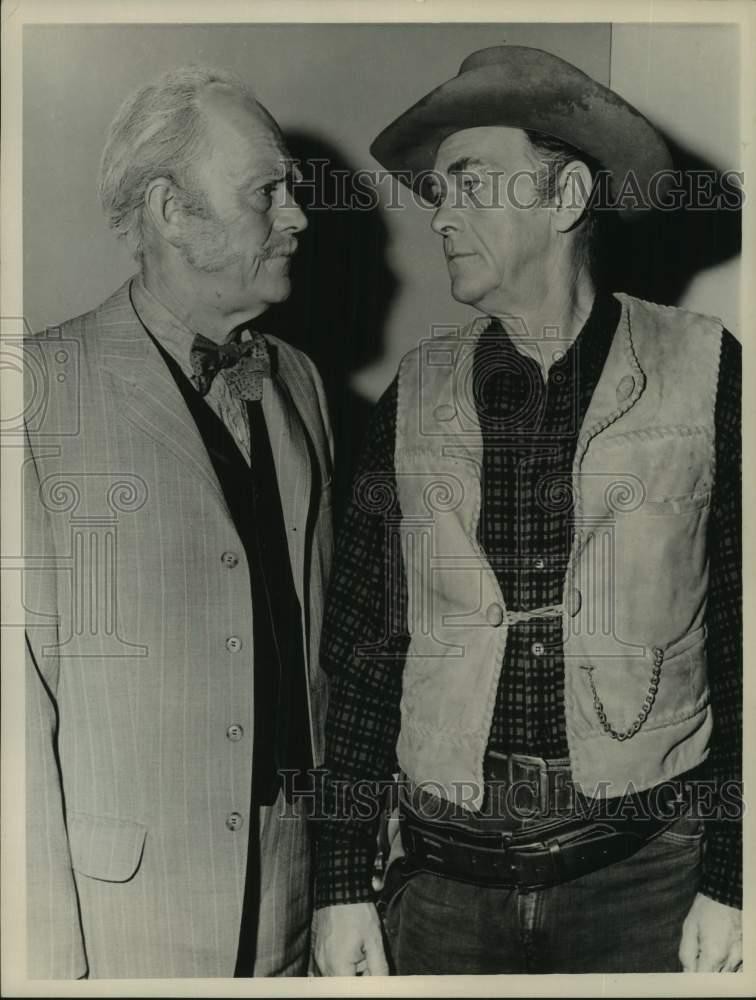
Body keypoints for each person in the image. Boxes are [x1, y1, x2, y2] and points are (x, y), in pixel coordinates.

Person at [312, 45, 741, 975]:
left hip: (645, 885)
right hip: (444, 890)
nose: (441, 215)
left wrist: (735, 877)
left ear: (566, 196)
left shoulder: (708, 371)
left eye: (470, 182)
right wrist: (340, 884)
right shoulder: (413, 393)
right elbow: (362, 652)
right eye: (438, 193)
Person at [23, 66, 333, 978]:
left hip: (294, 895)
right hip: (125, 923)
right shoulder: (34, 395)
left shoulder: (302, 383)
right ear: (170, 209)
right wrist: (46, 965)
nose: (297, 217)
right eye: (267, 191)